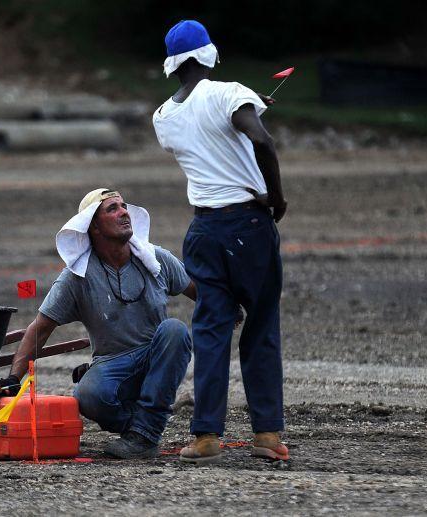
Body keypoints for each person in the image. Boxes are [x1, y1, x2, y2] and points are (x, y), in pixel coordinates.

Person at [152, 20, 289, 463]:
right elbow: (262, 142)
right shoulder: (229, 91)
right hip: (248, 225)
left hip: (203, 232)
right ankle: (267, 436)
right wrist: (278, 197)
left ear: (173, 64)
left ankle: (205, 437)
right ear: (209, 53)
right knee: (261, 327)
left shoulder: (162, 118)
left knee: (210, 330)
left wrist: (248, 103)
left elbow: (204, 130)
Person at [0, 188, 195, 459]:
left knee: (175, 330)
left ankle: (145, 435)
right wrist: (14, 378)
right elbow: (39, 329)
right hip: (113, 361)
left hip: (156, 354)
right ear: (93, 227)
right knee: (86, 395)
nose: (124, 213)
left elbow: (198, 291)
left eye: (123, 206)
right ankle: (142, 427)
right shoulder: (77, 276)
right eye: (112, 209)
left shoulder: (155, 258)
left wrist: (231, 310)